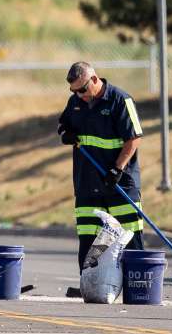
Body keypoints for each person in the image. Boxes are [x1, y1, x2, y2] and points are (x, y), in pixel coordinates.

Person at [57, 62, 145, 274]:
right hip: (87, 184)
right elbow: (64, 126)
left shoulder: (120, 100)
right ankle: (90, 283)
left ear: (95, 79)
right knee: (88, 239)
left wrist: (117, 169)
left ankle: (138, 284)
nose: (80, 95)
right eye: (74, 91)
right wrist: (65, 134)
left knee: (130, 236)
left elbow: (134, 139)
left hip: (119, 182)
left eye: (83, 89)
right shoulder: (75, 102)